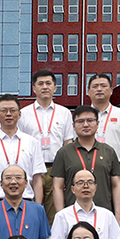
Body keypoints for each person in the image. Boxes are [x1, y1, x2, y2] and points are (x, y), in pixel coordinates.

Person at [49, 106, 120, 223]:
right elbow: (57, 187)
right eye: (80, 121)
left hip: (103, 214)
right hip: (73, 216)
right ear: (73, 126)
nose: (86, 125)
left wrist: (117, 217)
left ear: (97, 124)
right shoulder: (64, 152)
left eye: (90, 120)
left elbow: (116, 185)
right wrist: (61, 217)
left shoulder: (108, 151)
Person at [18, 70, 75, 218]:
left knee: (53, 214)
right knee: (30, 212)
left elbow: (68, 143)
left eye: (48, 83)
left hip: (55, 170)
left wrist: (65, 172)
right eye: (40, 83)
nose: (45, 87)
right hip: (31, 170)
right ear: (34, 88)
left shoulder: (64, 113)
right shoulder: (23, 114)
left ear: (55, 88)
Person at [0, 95, 44, 211]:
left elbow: (37, 179)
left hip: (25, 202)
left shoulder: (32, 142)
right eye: (3, 110)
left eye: (12, 110)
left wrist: (37, 209)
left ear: (19, 114)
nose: (8, 114)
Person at [50, 170, 120, 239]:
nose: (86, 186)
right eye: (80, 183)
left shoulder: (107, 215)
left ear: (95, 187)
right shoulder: (62, 216)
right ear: (73, 189)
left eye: (90, 182)